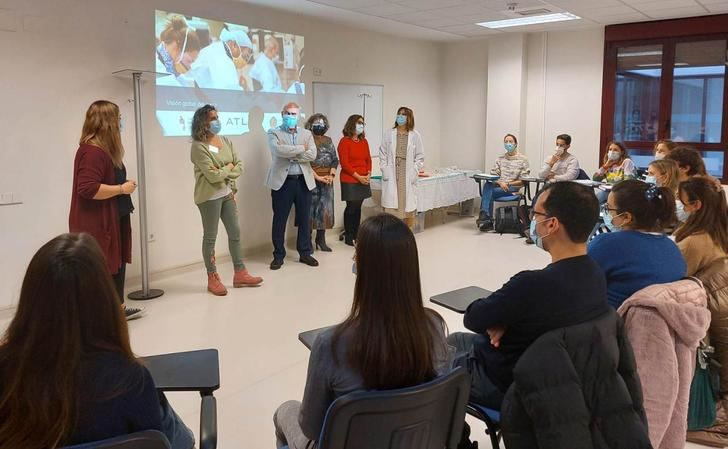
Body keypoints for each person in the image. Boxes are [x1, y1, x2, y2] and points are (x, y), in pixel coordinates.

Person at [273, 214, 451, 449]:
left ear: (363, 268)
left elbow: (312, 428)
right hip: (412, 441)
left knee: (285, 411)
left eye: (356, 254)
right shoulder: (434, 326)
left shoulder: (330, 345)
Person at [0, 233, 194, 449]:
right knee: (169, 421)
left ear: (31, 301)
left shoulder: (7, 372)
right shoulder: (131, 381)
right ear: (105, 299)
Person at [448, 182, 610, 411]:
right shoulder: (596, 275)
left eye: (535, 214)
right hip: (561, 380)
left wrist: (502, 320)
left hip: (511, 386)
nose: (532, 221)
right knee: (454, 340)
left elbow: (474, 318)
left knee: (432, 358)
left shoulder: (531, 285)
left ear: (552, 224)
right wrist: (507, 319)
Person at [69, 100, 143, 321]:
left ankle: (117, 310)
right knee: (101, 267)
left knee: (116, 264)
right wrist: (121, 188)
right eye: (119, 119)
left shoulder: (104, 151)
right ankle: (102, 316)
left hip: (114, 217)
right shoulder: (92, 152)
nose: (121, 123)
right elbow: (87, 188)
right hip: (98, 222)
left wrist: (122, 185)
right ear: (108, 122)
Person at [190, 105, 263, 296]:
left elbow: (239, 165)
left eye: (217, 117)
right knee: (210, 237)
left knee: (235, 233)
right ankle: (212, 277)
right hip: (208, 197)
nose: (217, 121)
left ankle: (240, 273)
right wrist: (228, 167)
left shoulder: (225, 140)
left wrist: (224, 170)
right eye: (212, 118)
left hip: (227, 193)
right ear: (203, 122)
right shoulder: (198, 146)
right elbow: (212, 176)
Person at [677, 177, 728, 448]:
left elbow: (673, 282)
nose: (680, 207)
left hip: (710, 310)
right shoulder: (721, 230)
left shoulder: (694, 242)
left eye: (683, 202)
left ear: (696, 205)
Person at [588, 180, 686, 309]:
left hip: (614, 317)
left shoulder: (606, 244)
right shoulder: (672, 248)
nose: (607, 212)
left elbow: (579, 283)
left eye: (609, 208)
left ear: (626, 217)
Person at [266, 102, 318, 270]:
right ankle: (278, 255)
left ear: (299, 115)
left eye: (294, 114)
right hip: (283, 183)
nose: (290, 116)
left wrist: (292, 155)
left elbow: (312, 154)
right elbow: (278, 151)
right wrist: (301, 149)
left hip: (303, 181)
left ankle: (305, 253)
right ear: (282, 114)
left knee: (304, 219)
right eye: (288, 113)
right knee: (279, 220)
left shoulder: (307, 133)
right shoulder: (273, 132)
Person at [379, 107, 424, 229]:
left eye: (403, 115)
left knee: (407, 207)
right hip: (392, 171)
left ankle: (408, 233)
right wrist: (384, 169)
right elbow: (382, 153)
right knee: (392, 207)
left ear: (409, 118)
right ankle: (392, 233)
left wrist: (415, 170)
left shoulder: (415, 135)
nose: (400, 117)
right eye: (399, 114)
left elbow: (420, 157)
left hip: (407, 172)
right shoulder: (389, 134)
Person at [674, 176, 728, 277]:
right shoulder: (722, 232)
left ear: (696, 205)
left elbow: (673, 277)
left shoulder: (692, 243)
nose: (684, 209)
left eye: (684, 204)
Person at [476, 133, 530, 231]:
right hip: (499, 186)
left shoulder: (523, 159)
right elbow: (493, 175)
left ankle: (486, 218)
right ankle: (486, 217)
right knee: (488, 184)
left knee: (487, 192)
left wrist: (508, 183)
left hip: (513, 188)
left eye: (510, 141)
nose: (508, 144)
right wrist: (501, 183)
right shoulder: (500, 159)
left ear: (516, 144)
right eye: (506, 142)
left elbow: (524, 180)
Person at [305, 113, 338, 252]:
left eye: (322, 123)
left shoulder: (328, 140)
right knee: (309, 211)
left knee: (325, 211)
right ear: (310, 125)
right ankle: (306, 241)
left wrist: (331, 174)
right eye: (317, 124)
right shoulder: (306, 140)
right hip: (311, 179)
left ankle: (321, 240)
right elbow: (305, 162)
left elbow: (334, 160)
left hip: (327, 180)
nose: (320, 126)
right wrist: (317, 176)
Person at [338, 115, 372, 246]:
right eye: (359, 123)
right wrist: (359, 177)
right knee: (351, 207)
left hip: (364, 178)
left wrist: (368, 173)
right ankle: (349, 235)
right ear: (351, 124)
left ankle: (356, 234)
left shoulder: (364, 141)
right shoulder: (344, 141)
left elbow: (368, 159)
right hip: (350, 179)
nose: (361, 125)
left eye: (363, 123)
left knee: (358, 208)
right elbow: (345, 164)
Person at [647, 158, 688, 224]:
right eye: (648, 173)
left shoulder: (678, 206)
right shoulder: (656, 195)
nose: (648, 176)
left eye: (651, 174)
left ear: (664, 177)